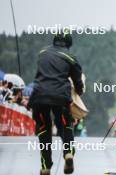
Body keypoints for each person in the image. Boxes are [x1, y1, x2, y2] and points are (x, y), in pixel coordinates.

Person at [28, 31, 84, 175]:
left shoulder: (42, 53)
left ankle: (46, 166)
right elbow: (78, 81)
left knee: (44, 128)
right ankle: (68, 153)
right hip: (61, 97)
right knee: (66, 124)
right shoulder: (71, 58)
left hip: (39, 96)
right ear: (68, 44)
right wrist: (79, 91)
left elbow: (40, 75)